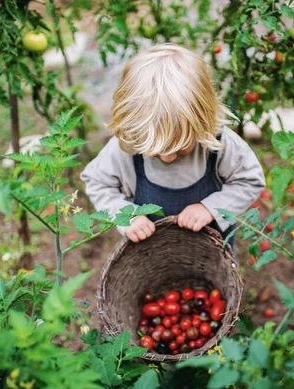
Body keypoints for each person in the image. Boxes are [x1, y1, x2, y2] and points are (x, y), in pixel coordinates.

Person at [80, 44, 265, 251]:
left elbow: (250, 180)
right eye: (155, 150)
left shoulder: (220, 143)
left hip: (211, 256)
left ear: (203, 123)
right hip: (151, 257)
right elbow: (97, 182)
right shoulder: (127, 145)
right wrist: (128, 216)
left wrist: (211, 209)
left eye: (181, 147)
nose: (168, 157)